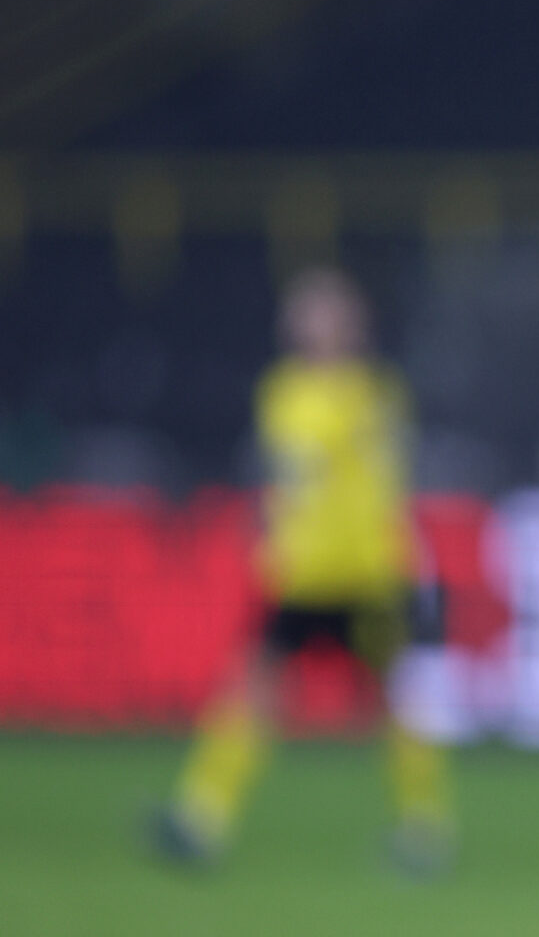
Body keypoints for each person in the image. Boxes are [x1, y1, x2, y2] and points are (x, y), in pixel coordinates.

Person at [153, 267, 453, 874]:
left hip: (365, 572)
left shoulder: (371, 393)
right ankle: (201, 818)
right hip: (301, 575)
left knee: (390, 701)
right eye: (305, 313)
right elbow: (286, 477)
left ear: (352, 325)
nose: (309, 323)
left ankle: (426, 829)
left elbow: (365, 473)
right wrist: (269, 525)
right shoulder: (283, 390)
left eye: (324, 313)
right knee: (253, 687)